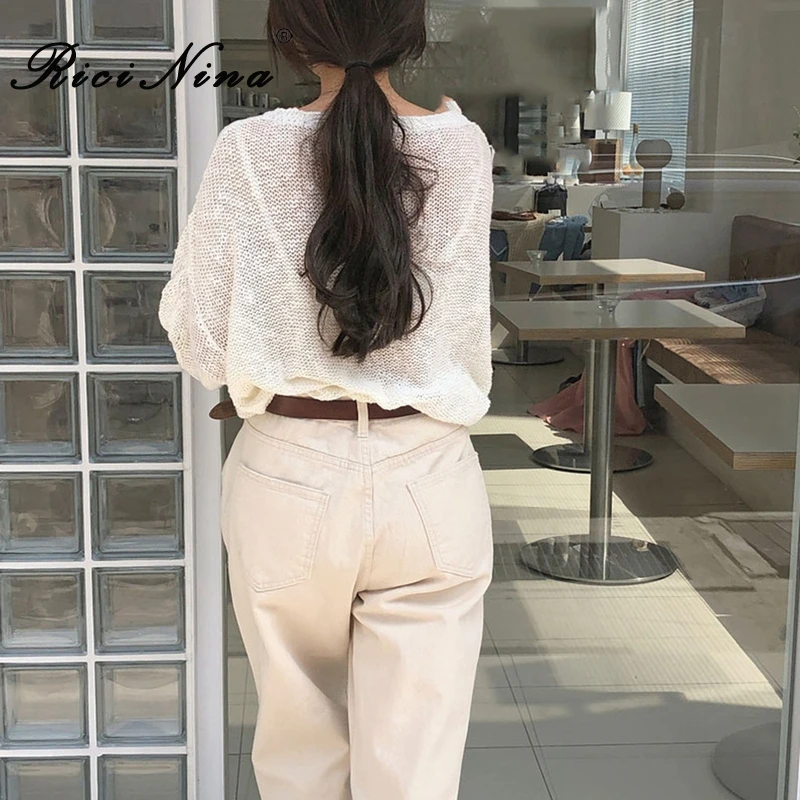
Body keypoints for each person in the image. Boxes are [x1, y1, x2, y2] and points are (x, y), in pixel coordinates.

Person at [158, 1, 495, 797]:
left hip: (288, 471)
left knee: (299, 745)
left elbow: (200, 339)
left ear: (291, 37)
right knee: (414, 767)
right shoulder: (464, 147)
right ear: (411, 35)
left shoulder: (249, 150)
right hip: (428, 473)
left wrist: (273, 348)